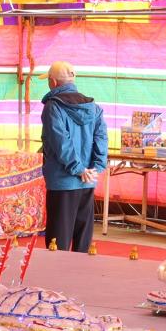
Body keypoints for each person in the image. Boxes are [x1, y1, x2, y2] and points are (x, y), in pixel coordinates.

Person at [40, 61, 107, 252]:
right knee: (83, 241)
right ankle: (80, 271)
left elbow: (61, 143)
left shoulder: (53, 107)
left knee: (57, 241)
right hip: (87, 181)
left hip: (62, 182)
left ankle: (58, 273)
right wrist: (94, 169)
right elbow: (101, 139)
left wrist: (78, 169)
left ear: (53, 82)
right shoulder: (94, 108)